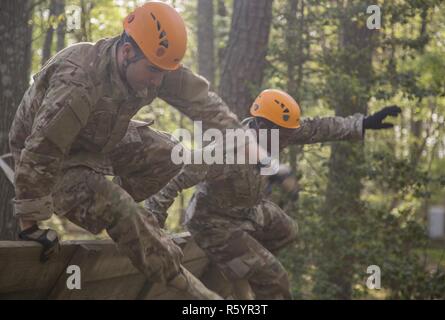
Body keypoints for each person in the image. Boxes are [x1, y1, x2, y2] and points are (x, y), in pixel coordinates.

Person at [8, 1, 249, 299]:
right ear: (126, 52)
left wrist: (242, 140)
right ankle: (194, 290)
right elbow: (41, 150)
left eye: (163, 73)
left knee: (171, 155)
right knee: (120, 208)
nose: (157, 81)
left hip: (98, 136)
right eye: (152, 71)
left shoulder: (151, 61)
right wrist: (30, 224)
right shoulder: (77, 83)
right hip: (53, 160)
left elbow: (200, 100)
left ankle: (125, 220)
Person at [146, 89, 401, 299]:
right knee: (275, 278)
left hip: (247, 210)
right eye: (281, 135)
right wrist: (153, 226)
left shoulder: (278, 133)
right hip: (213, 223)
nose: (285, 141)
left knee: (287, 230)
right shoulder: (225, 150)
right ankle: (248, 274)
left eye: (288, 134)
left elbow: (317, 128)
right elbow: (173, 178)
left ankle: (241, 269)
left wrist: (363, 123)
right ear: (261, 125)